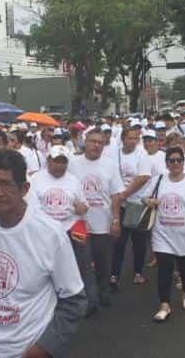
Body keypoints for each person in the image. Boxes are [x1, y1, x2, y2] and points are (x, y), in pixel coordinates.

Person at [0, 150, 87, 358]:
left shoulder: (50, 234)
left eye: (6, 184)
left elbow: (73, 300)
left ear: (24, 189)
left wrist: (44, 348)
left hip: (29, 350)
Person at [29, 145, 98, 316]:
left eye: (63, 162)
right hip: (44, 232)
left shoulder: (73, 180)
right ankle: (48, 305)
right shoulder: (35, 179)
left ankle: (89, 303)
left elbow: (83, 204)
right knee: (46, 269)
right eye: (56, 161)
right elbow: (32, 208)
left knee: (82, 265)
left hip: (70, 228)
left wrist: (82, 208)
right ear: (48, 161)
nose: (59, 165)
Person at [145, 147, 185, 322]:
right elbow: (144, 197)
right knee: (164, 269)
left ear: (183, 162)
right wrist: (149, 201)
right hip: (162, 234)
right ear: (166, 163)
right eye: (171, 160)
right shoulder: (159, 180)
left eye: (179, 160)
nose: (175, 163)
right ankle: (164, 305)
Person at [68, 129, 124, 307]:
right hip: (79, 223)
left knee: (103, 262)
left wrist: (115, 221)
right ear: (85, 142)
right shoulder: (73, 163)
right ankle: (89, 300)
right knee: (83, 263)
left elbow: (116, 196)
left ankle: (103, 292)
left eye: (100, 142)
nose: (96, 145)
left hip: (103, 223)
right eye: (93, 141)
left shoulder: (110, 165)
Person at [111, 128, 152, 287]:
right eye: (129, 138)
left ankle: (138, 272)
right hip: (119, 203)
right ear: (123, 139)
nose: (133, 141)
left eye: (136, 138)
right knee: (118, 241)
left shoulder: (142, 154)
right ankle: (114, 274)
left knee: (138, 242)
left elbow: (144, 177)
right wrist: (118, 196)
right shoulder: (115, 153)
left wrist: (125, 193)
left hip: (136, 203)